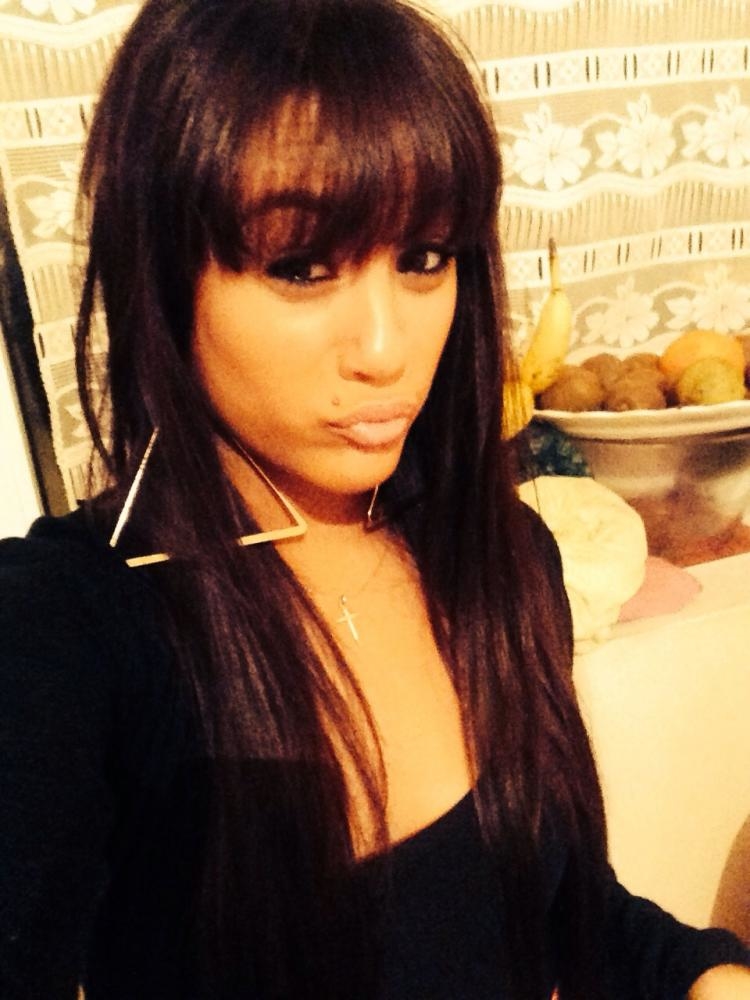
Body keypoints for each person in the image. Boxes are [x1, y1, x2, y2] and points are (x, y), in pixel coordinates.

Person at [1, 1, 748, 997]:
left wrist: (701, 974)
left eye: (424, 258)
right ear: (164, 275)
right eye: (301, 266)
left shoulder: (502, 558)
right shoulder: (67, 630)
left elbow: (554, 907)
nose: (387, 350)